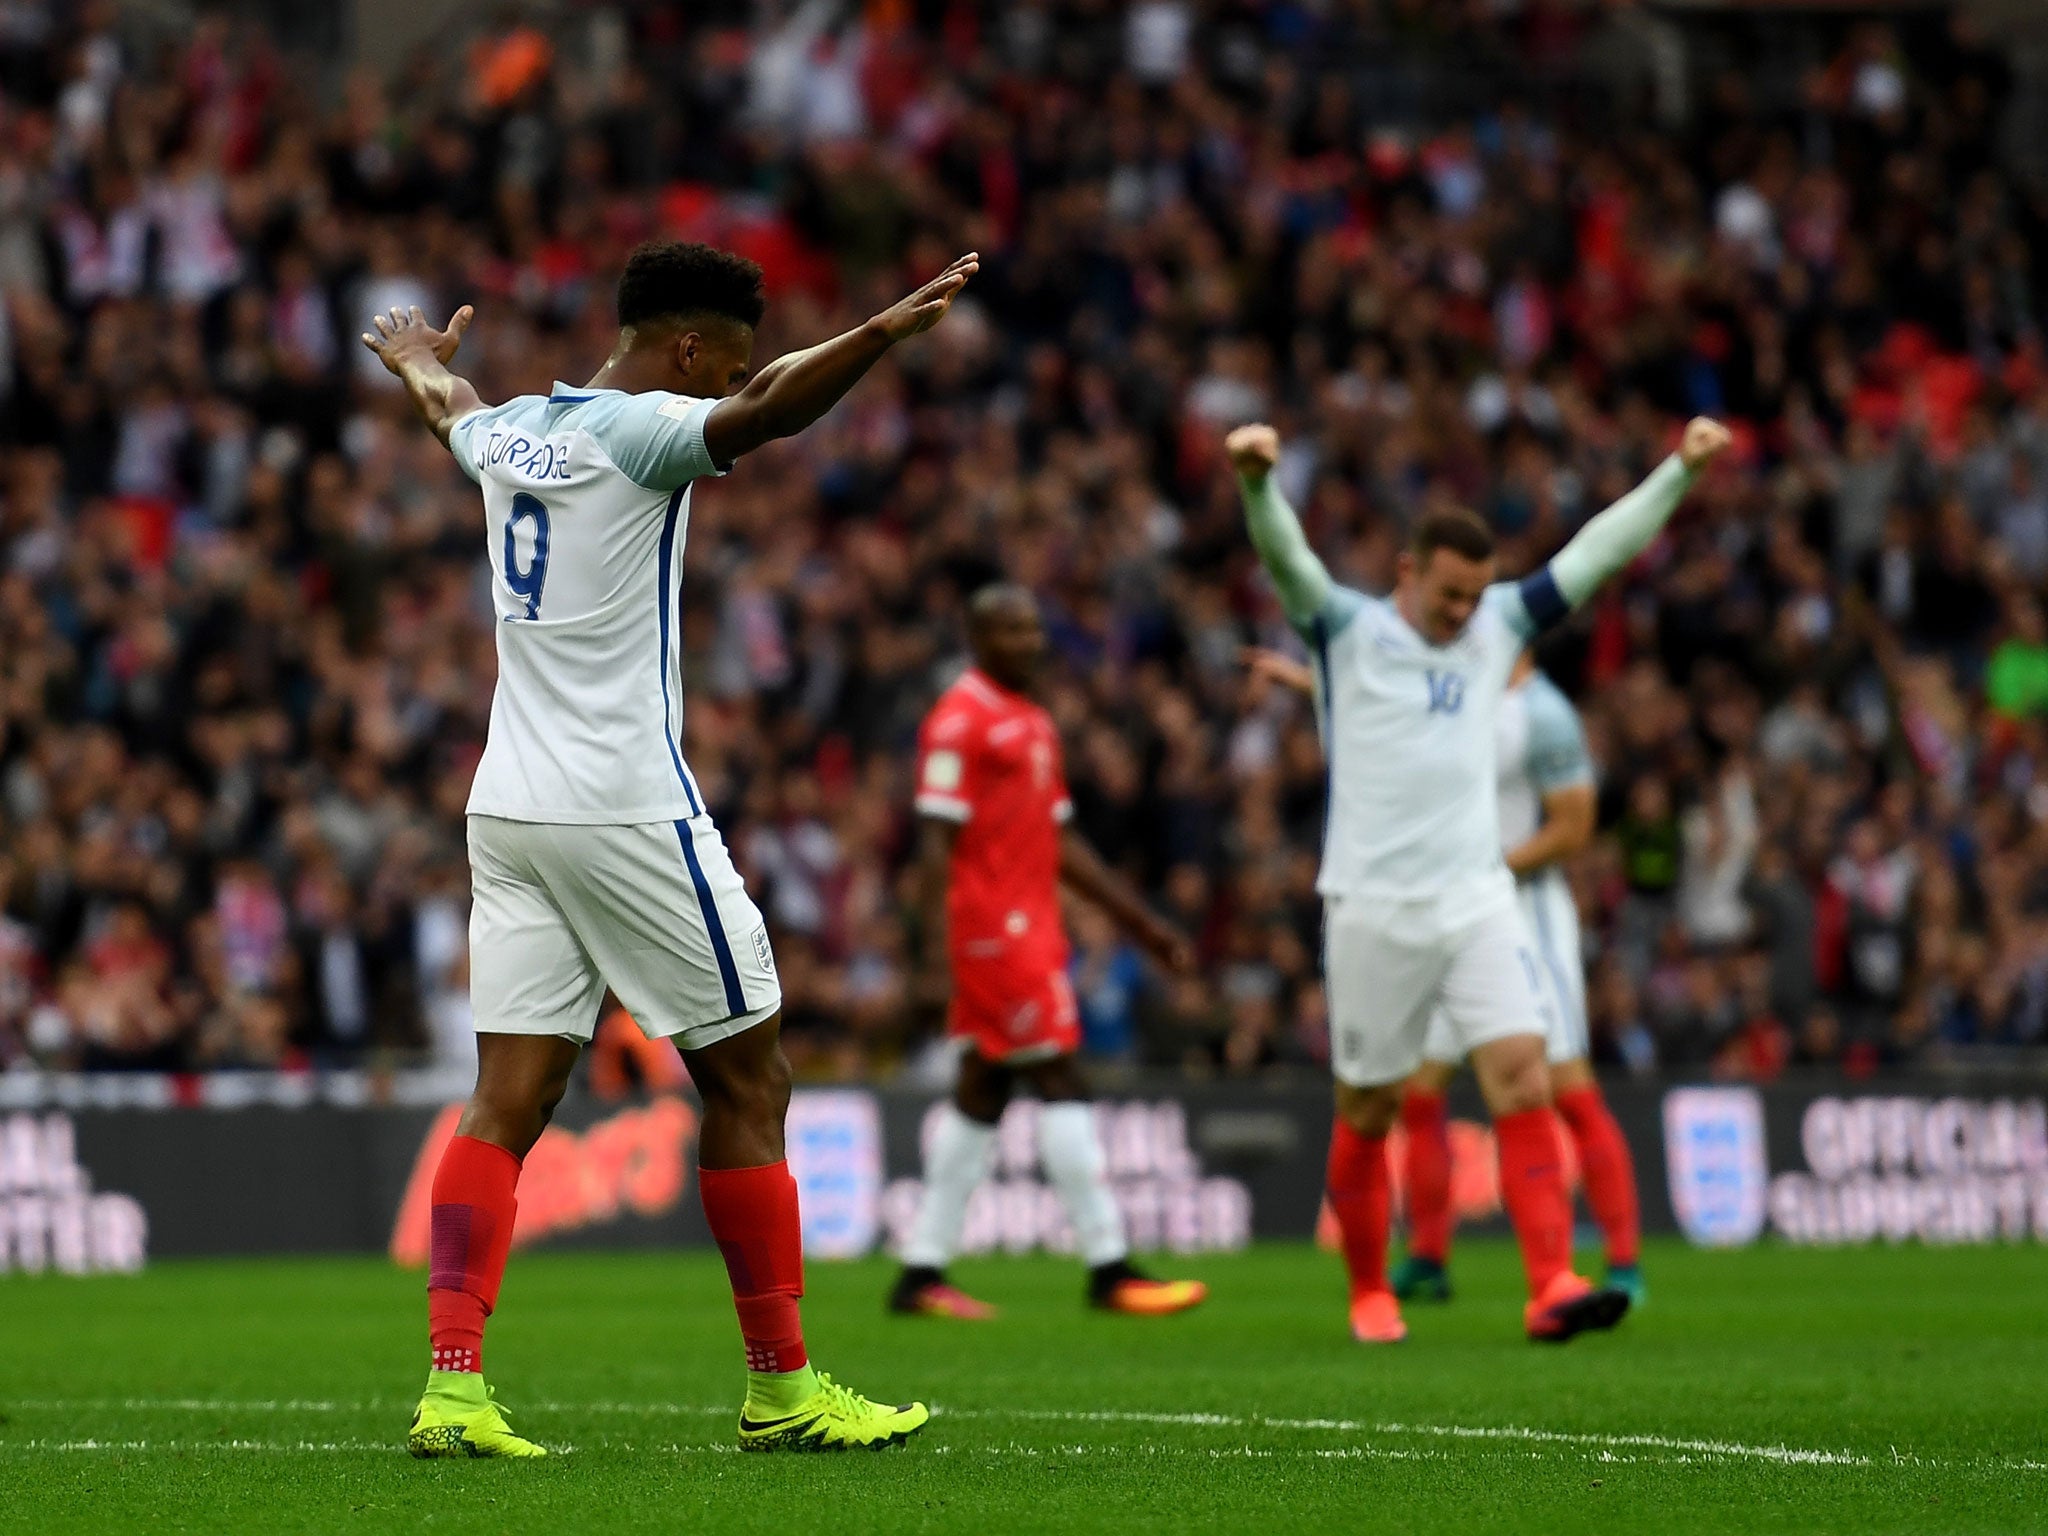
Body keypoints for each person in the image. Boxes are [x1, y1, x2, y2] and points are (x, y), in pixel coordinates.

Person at [364, 240, 978, 1457]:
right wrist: (878, 335)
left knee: (507, 1100)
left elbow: (454, 415)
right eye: (723, 362)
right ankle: (782, 1389)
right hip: (625, 808)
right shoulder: (644, 430)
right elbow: (770, 409)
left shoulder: (521, 430)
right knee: (751, 1080)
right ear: (687, 350)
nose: (727, 384)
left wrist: (418, 365)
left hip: (510, 811)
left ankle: (452, 1388)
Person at [1226, 416, 1730, 1344]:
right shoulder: (1347, 632)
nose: (1466, 613)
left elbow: (1595, 553)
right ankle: (1371, 1290)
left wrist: (1680, 472)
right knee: (1370, 1107)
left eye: (1476, 595)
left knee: (1522, 1079)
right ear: (1408, 574)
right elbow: (1288, 563)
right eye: (1451, 595)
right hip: (1373, 908)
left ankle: (1551, 1286)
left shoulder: (1498, 626)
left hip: (1477, 900)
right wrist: (1258, 484)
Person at [1249, 647, 1644, 1305]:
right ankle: (1429, 1256)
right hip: (1447, 912)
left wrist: (1492, 869)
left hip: (1524, 914)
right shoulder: (1452, 695)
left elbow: (1574, 827)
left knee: (1566, 1087)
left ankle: (1624, 1264)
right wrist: (1302, 678)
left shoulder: (1544, 713)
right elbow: (1378, 700)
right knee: (1420, 1090)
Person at [888, 586, 1209, 1320]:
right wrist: (933, 952)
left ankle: (919, 1274)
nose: (1030, 642)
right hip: (994, 933)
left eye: (1034, 629)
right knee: (1060, 1073)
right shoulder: (958, 721)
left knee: (984, 1091)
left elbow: (1065, 845)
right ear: (976, 637)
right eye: (1011, 631)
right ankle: (1110, 1267)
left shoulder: (1033, 720)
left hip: (1030, 926)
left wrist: (1142, 925)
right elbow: (934, 840)